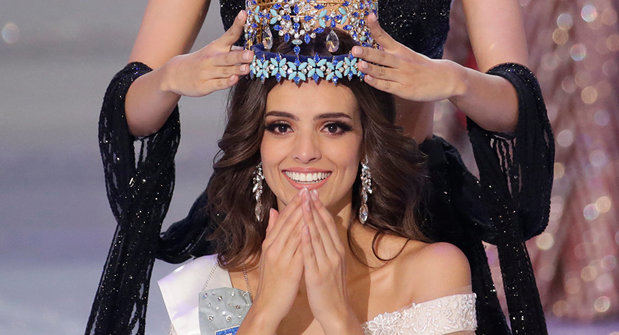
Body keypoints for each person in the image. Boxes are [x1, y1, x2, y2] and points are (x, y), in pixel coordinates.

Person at [86, 0, 554, 334]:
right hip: (267, 210)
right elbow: (130, 114)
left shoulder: (432, 269)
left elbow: (519, 107)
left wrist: (451, 80)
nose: (307, 148)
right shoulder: (222, 282)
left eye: (332, 128)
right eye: (282, 128)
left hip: (411, 205)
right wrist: (170, 80)